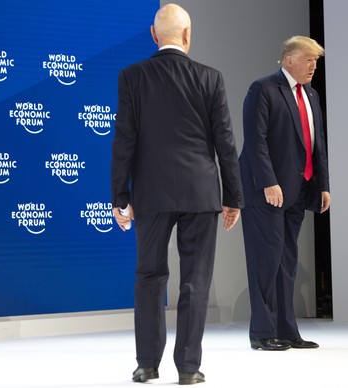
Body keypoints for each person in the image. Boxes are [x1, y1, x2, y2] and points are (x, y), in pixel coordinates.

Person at [110, 3, 244, 385]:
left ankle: (146, 365)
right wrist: (233, 197)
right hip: (201, 194)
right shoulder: (210, 78)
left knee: (149, 277)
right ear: (188, 35)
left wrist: (120, 197)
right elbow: (225, 142)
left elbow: (124, 142)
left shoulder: (131, 76)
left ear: (154, 36)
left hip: (151, 195)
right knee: (195, 281)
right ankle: (188, 368)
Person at [238, 36, 331, 351]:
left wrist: (323, 185)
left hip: (297, 191)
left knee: (287, 262)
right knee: (265, 260)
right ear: (289, 59)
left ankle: (287, 330)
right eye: (309, 60)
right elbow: (255, 140)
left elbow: (317, 144)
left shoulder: (312, 95)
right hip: (265, 192)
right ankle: (262, 333)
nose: (313, 67)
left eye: (316, 61)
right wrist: (268, 181)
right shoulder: (263, 89)